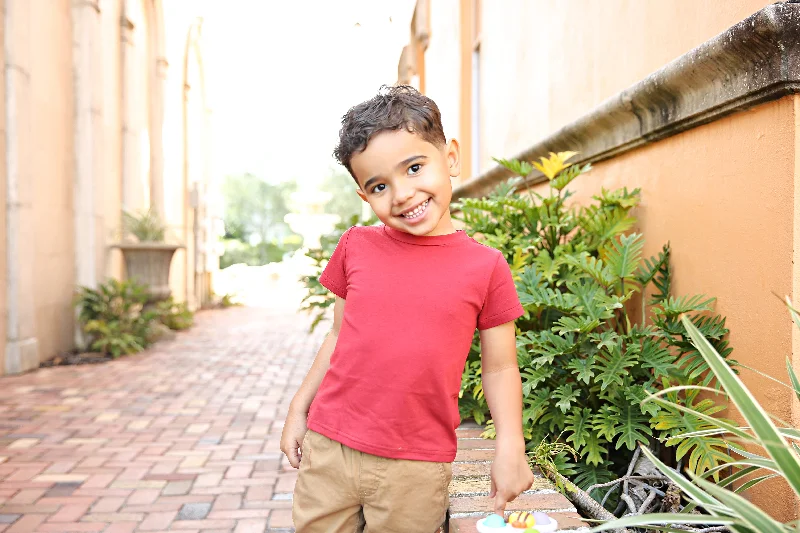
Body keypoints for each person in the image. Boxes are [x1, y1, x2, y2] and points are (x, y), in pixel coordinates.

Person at [281, 85, 534, 533]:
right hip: (330, 448)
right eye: (379, 185)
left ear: (450, 158)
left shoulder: (486, 267)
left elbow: (499, 368)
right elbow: (337, 337)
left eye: (415, 167)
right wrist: (299, 407)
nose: (401, 194)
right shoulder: (355, 246)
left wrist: (510, 444)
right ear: (364, 196)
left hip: (416, 465)